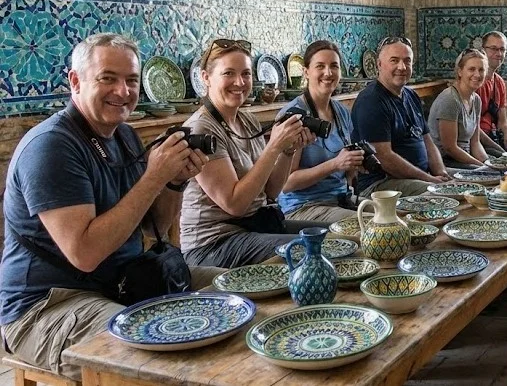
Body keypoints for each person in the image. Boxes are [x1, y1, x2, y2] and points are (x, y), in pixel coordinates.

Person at [0, 33, 221, 380]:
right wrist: (152, 177)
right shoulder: (52, 147)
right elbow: (85, 253)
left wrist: (174, 181)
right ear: (75, 81)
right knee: (151, 350)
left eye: (132, 80)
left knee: (236, 290)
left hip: (123, 283)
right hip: (48, 307)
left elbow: (155, 229)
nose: (123, 91)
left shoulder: (124, 136)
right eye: (108, 78)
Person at [180, 39, 317, 269]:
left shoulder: (248, 120)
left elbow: (272, 192)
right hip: (213, 244)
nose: (239, 82)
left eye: (246, 74)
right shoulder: (201, 129)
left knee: (329, 238)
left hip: (254, 227)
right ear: (205, 78)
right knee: (307, 250)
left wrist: (288, 150)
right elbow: (235, 204)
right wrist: (273, 147)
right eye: (229, 74)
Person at [351, 36, 451, 196]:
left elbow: (427, 141)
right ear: (379, 64)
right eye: (394, 60)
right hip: (381, 184)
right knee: (442, 194)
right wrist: (430, 180)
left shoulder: (411, 95)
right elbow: (385, 158)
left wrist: (441, 172)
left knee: (469, 184)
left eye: (407, 61)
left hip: (421, 176)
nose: (402, 67)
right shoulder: (371, 101)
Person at [276, 40, 363, 222]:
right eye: (320, 66)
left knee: (393, 214)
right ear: (306, 72)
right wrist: (335, 164)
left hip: (340, 199)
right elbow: (286, 183)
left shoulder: (341, 112)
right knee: (374, 225)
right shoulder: (294, 116)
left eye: (334, 66)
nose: (328, 73)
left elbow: (346, 171)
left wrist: (354, 165)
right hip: (303, 206)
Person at [428, 48, 491, 169]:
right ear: (460, 72)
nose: (477, 75)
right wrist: (481, 167)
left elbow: (475, 143)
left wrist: (488, 163)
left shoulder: (476, 100)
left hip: (465, 158)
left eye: (481, 70)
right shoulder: (450, 100)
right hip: (445, 162)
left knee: (502, 167)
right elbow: (450, 148)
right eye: (471, 69)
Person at [476, 31, 507, 157]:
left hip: (494, 137)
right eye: (493, 49)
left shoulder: (499, 82)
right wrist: (501, 151)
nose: (498, 54)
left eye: (502, 49)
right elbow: (472, 128)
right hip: (477, 141)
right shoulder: (474, 82)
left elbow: (503, 122)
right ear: (483, 50)